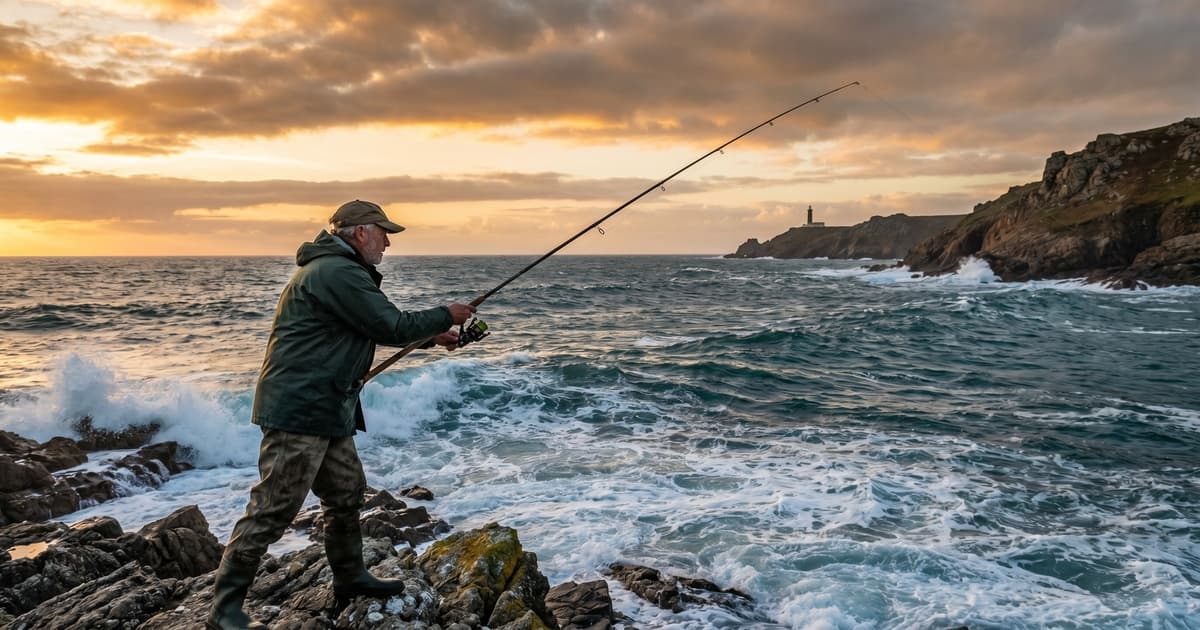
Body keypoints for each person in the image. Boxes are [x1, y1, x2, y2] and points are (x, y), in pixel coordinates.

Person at [207, 200, 476, 630]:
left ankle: (349, 578)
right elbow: (390, 324)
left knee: (347, 492)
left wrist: (432, 337)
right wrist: (448, 313)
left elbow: (366, 326)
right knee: (272, 508)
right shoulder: (336, 271)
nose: (388, 241)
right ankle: (224, 611)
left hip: (327, 405)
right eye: (382, 232)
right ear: (358, 232)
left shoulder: (338, 271)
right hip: (301, 409)